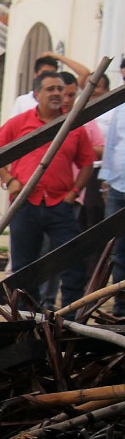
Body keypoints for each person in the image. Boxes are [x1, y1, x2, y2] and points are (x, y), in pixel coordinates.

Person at [0, 70, 96, 310]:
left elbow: (87, 163)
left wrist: (74, 193)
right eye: (50, 89)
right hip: (25, 203)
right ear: (36, 94)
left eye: (60, 89)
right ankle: (29, 318)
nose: (57, 94)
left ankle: (71, 315)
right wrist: (9, 180)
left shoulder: (73, 124)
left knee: (72, 261)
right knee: (24, 267)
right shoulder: (20, 122)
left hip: (60, 204)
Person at [102, 77, 125, 318]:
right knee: (117, 250)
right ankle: (120, 308)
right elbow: (111, 146)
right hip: (118, 185)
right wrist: (106, 178)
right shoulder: (120, 106)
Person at [13, 54, 88, 117]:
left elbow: (85, 73)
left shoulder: (64, 93)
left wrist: (58, 57)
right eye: (45, 72)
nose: (48, 76)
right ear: (35, 75)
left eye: (53, 73)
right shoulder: (23, 101)